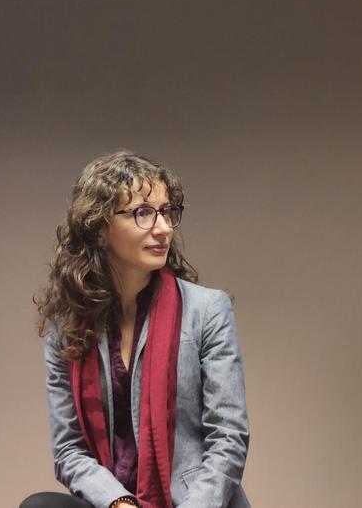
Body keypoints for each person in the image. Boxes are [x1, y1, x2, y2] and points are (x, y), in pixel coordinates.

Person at [23, 151, 250, 508]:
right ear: (100, 229)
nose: (164, 228)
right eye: (143, 213)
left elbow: (229, 437)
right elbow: (69, 450)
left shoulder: (207, 310)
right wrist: (119, 503)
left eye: (167, 211)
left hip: (198, 502)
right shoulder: (68, 329)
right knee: (40, 506)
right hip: (121, 503)